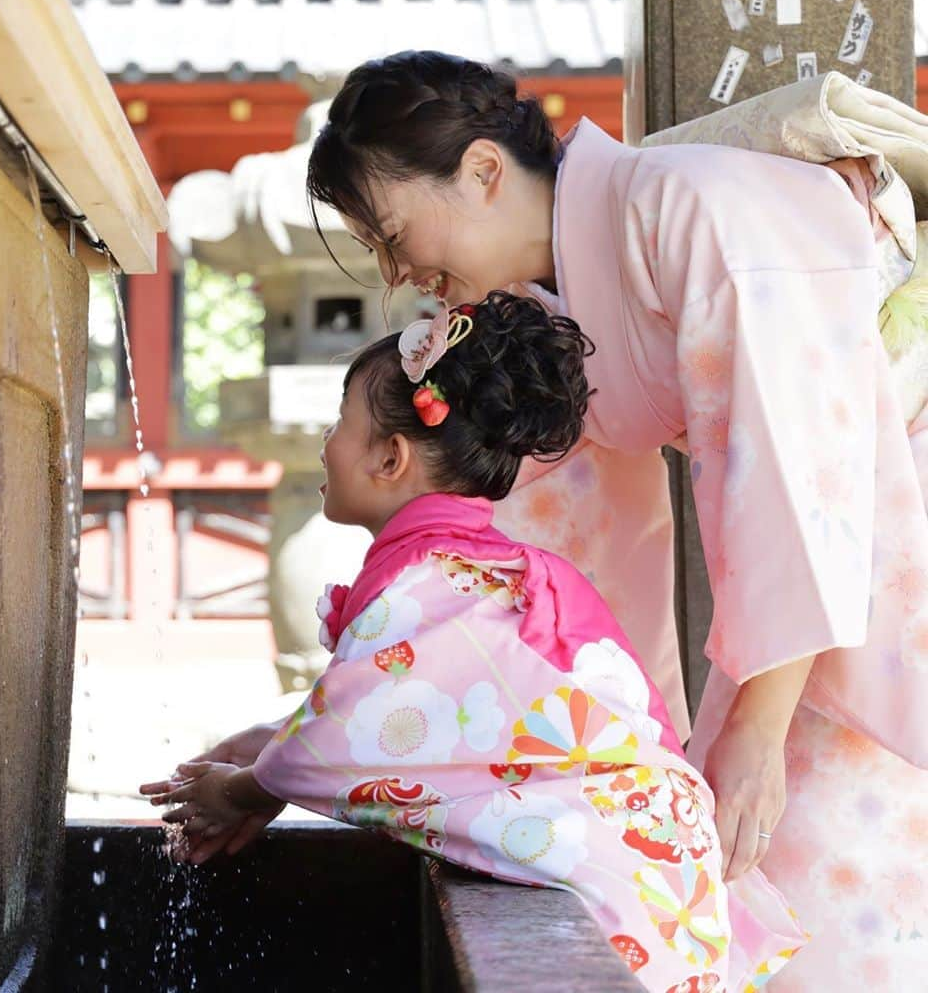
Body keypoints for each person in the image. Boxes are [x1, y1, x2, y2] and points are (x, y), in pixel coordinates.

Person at [291, 51, 928, 990]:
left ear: (480, 171)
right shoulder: (543, 307)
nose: (397, 276)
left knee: (828, 849)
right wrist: (602, 750)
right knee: (730, 845)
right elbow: (557, 553)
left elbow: (800, 461)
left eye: (391, 237)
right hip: (834, 548)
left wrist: (756, 725)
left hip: (877, 506)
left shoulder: (694, 207)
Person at [143, 292, 806, 993]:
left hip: (620, 885)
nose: (325, 442)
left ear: (391, 457)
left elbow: (348, 737)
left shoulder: (430, 585)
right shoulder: (474, 575)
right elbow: (417, 712)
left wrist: (248, 788)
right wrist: (267, 740)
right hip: (648, 861)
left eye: (341, 422)